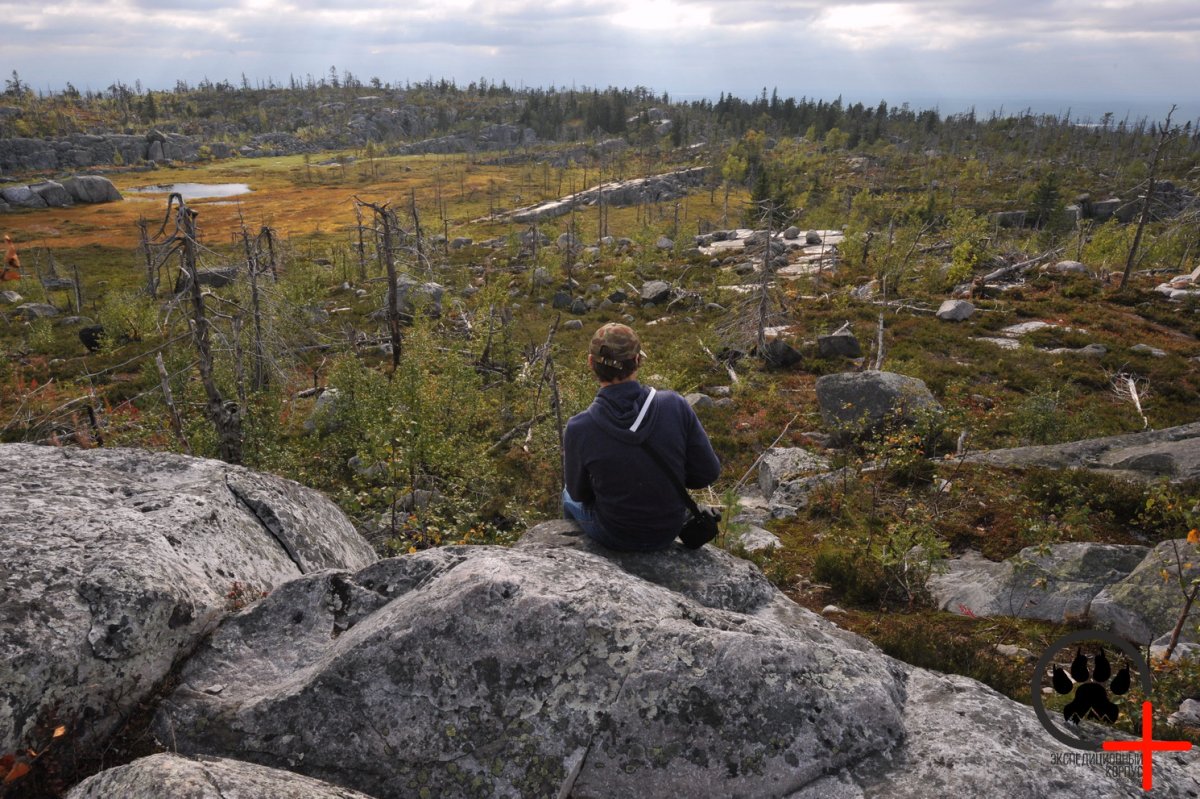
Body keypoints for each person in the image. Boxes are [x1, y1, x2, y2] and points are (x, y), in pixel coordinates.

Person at [562, 323, 721, 551]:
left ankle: (572, 553)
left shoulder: (579, 427)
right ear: (637, 361)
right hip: (669, 529)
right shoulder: (674, 404)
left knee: (566, 494)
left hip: (615, 533)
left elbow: (579, 493)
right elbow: (707, 473)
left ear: (590, 363)